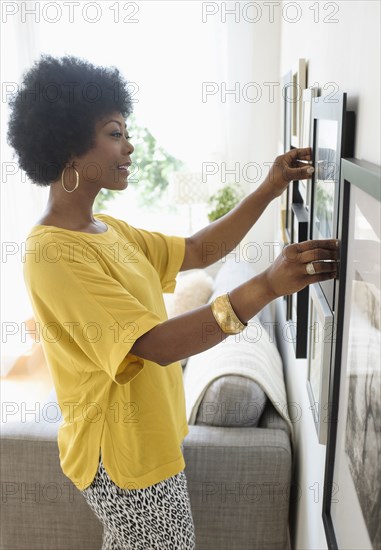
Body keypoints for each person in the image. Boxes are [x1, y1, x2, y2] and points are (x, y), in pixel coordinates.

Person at [7, 55, 339, 550]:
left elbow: (199, 250)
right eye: (116, 133)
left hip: (150, 439)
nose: (131, 146)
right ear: (69, 146)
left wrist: (270, 188)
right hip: (120, 451)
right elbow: (153, 345)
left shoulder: (108, 230)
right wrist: (266, 286)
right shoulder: (52, 251)